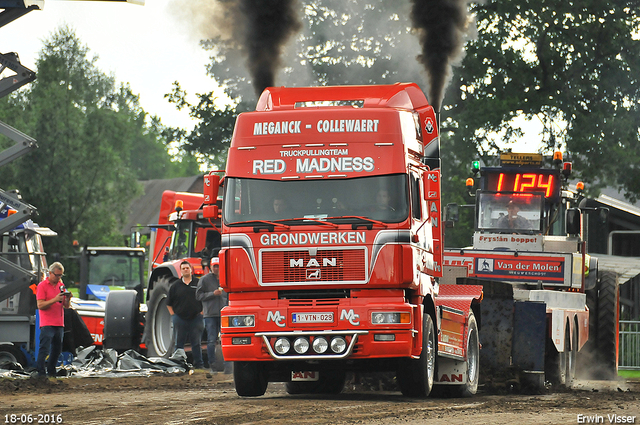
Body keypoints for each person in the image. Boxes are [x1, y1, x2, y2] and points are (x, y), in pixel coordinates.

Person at [196, 257, 231, 374]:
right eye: (214, 266)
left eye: (218, 266)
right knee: (211, 340)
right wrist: (213, 294)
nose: (216, 268)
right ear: (210, 267)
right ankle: (213, 366)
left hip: (224, 314)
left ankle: (228, 366)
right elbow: (198, 295)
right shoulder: (204, 280)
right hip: (210, 314)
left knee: (226, 339)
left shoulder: (226, 278)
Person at [166, 261, 204, 369]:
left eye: (187, 268)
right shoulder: (175, 286)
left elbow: (205, 298)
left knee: (196, 343)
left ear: (191, 270)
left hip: (196, 318)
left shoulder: (198, 283)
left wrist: (202, 312)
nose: (185, 270)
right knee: (179, 343)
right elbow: (168, 303)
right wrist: (173, 315)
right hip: (180, 318)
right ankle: (178, 364)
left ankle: (199, 365)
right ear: (181, 271)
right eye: (183, 268)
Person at [36, 262, 71, 377]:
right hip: (47, 322)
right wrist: (55, 299)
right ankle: (41, 372)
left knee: (57, 350)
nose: (58, 278)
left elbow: (66, 306)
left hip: (59, 322)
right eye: (56, 275)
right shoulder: (42, 286)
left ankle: (51, 371)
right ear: (50, 273)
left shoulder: (61, 285)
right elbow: (40, 305)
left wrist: (67, 299)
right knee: (44, 348)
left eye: (60, 275)